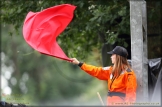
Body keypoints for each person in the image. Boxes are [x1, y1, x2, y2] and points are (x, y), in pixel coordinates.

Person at [70, 46, 137, 106]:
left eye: (112, 55)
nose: (111, 57)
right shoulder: (110, 70)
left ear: (117, 56)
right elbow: (96, 70)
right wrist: (79, 64)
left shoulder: (129, 74)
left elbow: (130, 96)